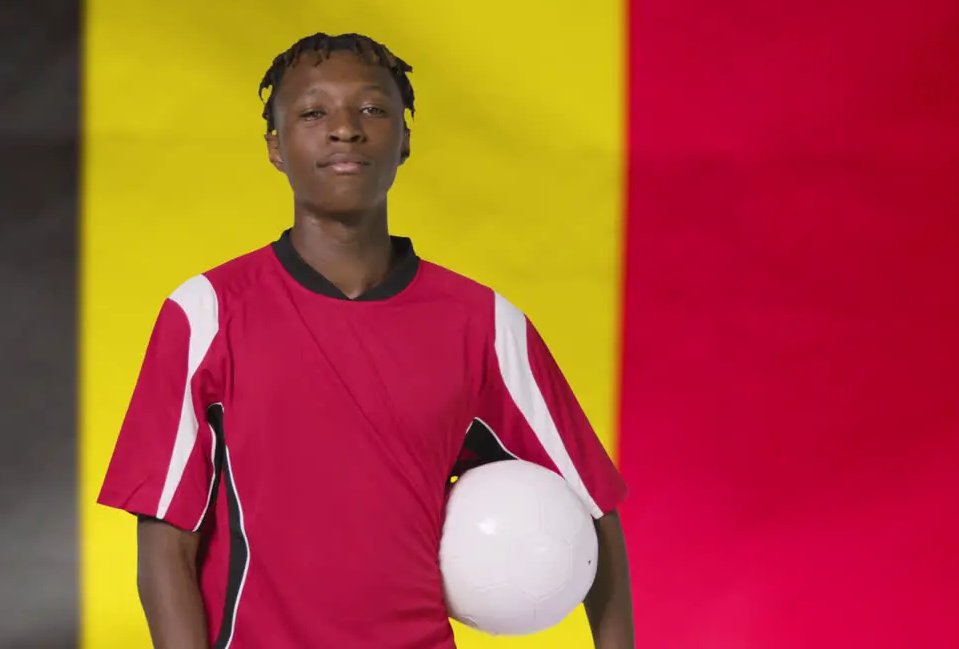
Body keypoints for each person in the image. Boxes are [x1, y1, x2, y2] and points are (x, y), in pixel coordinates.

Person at [97, 33, 635, 649]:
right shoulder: (206, 314)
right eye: (312, 112)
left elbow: (592, 509)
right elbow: (166, 542)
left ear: (404, 139)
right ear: (275, 146)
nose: (345, 130)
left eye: (373, 110)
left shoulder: (483, 324)